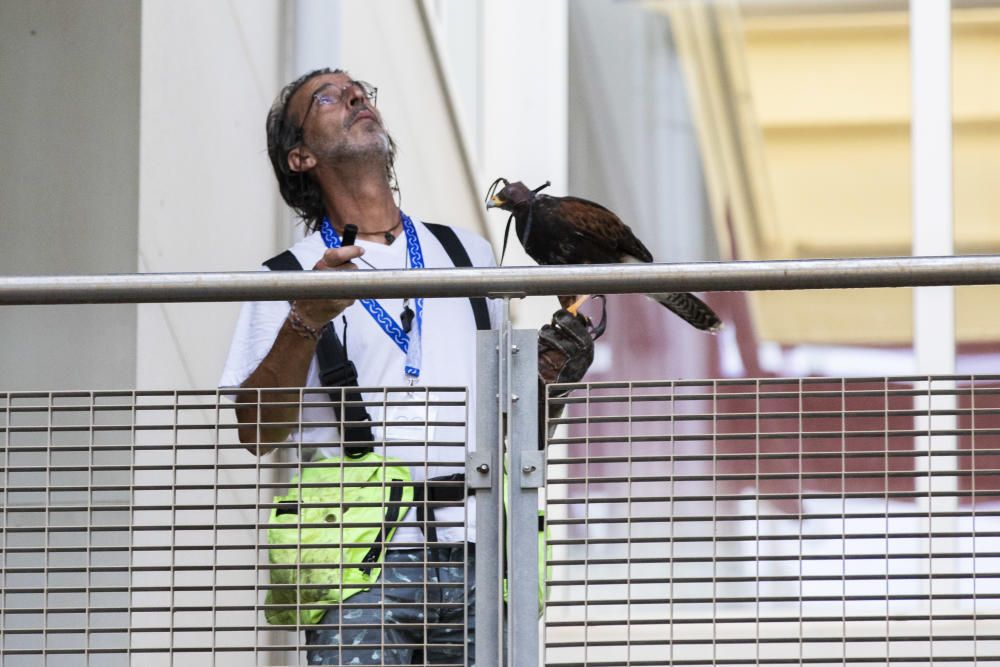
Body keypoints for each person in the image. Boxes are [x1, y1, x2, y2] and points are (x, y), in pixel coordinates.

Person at [219, 68, 597, 665]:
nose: (355, 98)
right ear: (300, 157)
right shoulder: (288, 274)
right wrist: (305, 319)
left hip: (482, 546)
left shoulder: (468, 254)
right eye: (328, 97)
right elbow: (255, 431)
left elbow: (507, 426)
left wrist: (550, 383)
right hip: (358, 561)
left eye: (360, 92)